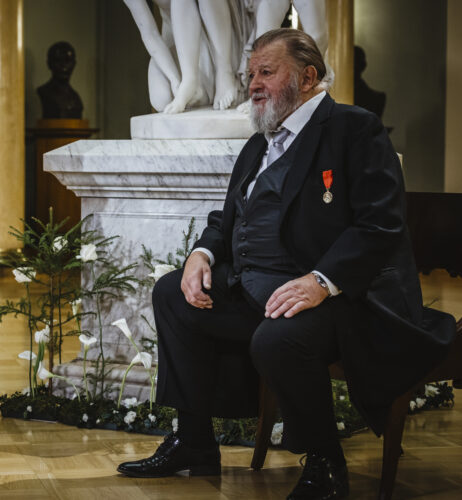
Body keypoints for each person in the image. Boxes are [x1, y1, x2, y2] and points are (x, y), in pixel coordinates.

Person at [117, 29, 455, 500]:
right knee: (173, 293)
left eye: (266, 72)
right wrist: (203, 253)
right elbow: (229, 216)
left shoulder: (354, 128)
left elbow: (380, 223)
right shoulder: (260, 142)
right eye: (250, 73)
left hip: (344, 299)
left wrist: (321, 281)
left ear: (308, 76)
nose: (253, 83)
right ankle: (194, 441)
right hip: (260, 288)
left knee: (277, 337)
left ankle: (325, 462)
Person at [37, 41, 84, 119]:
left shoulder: (75, 98)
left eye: (67, 61)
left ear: (74, 64)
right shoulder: (43, 93)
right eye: (58, 60)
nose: (64, 67)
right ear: (49, 64)